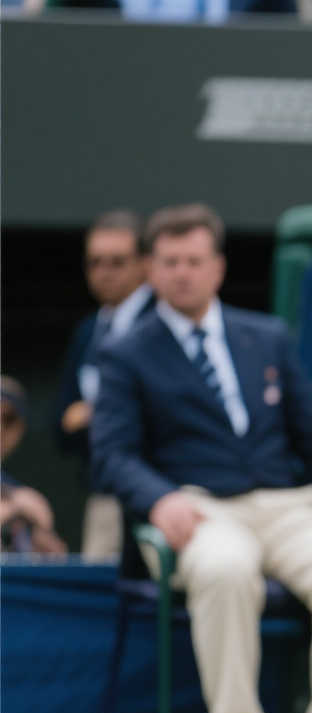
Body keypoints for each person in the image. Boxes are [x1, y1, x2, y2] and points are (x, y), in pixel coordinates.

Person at [92, 204, 312, 713]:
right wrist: (159, 499)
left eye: (193, 261)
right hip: (196, 508)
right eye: (170, 262)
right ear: (152, 270)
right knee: (226, 569)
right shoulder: (127, 353)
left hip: (286, 507)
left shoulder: (267, 337)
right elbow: (113, 455)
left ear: (218, 268)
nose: (182, 273)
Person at [57, 210, 155, 560]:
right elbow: (63, 422)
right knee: (100, 580)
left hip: (162, 489)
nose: (104, 272)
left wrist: (97, 414)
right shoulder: (89, 330)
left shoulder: (162, 322)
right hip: (104, 492)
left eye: (117, 262)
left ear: (144, 264)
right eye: (95, 262)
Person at [1, 376, 69, 557]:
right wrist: (12, 509)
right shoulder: (21, 499)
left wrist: (45, 547)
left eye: (8, 419)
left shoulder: (17, 491)